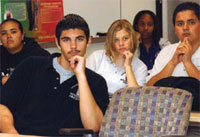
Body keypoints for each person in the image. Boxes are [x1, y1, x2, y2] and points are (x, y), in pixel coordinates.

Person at [0, 14, 109, 136]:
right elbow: (2, 105)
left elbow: (93, 127)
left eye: (79, 39)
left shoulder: (96, 82)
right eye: (66, 40)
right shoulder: (31, 65)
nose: (73, 46)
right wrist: (11, 132)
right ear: (57, 43)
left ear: (88, 41)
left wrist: (81, 76)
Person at [147, 2, 200, 110]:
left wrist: (188, 62)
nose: (185, 28)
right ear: (175, 30)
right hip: (167, 113)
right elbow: (149, 88)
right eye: (180, 24)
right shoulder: (166, 51)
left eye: (191, 22)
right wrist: (172, 63)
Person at [86, 19, 147, 95]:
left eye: (125, 38)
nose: (121, 43)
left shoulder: (140, 67)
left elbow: (135, 98)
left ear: (132, 40)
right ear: (111, 42)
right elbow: (83, 89)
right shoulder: (96, 57)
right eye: (116, 40)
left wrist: (128, 67)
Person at [0, 18, 50, 85]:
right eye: (4, 33)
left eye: (13, 32)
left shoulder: (38, 55)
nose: (9, 36)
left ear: (22, 34)